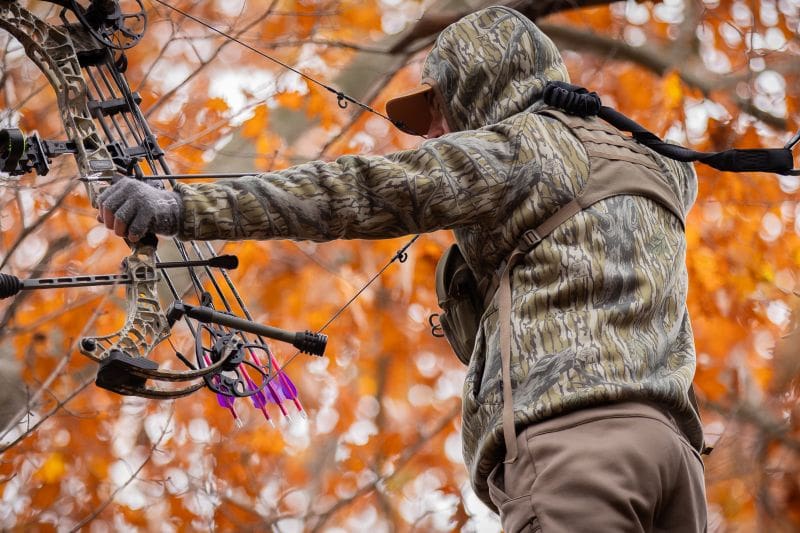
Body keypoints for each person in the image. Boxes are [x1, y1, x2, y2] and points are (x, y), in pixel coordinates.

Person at [99, 6, 708, 531]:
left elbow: (358, 190)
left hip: (577, 452)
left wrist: (179, 207)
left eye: (439, 111)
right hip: (677, 462)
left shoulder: (518, 150)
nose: (436, 135)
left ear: (479, 87)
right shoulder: (662, 165)